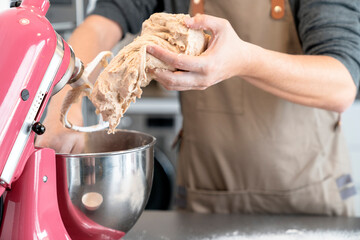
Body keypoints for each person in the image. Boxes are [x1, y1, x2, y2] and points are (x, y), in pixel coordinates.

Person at [36, 0, 360, 216]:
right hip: (205, 199)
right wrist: (64, 95)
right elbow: (101, 25)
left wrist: (244, 61)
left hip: (310, 200)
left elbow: (341, 82)